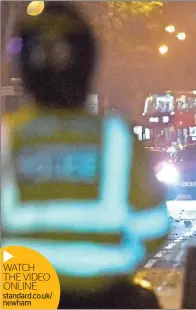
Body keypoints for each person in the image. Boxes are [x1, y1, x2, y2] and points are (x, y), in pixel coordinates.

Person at [1, 2, 167, 308]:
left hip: (23, 299)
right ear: (88, 61)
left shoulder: (7, 138)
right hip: (106, 297)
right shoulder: (115, 137)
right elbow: (154, 226)